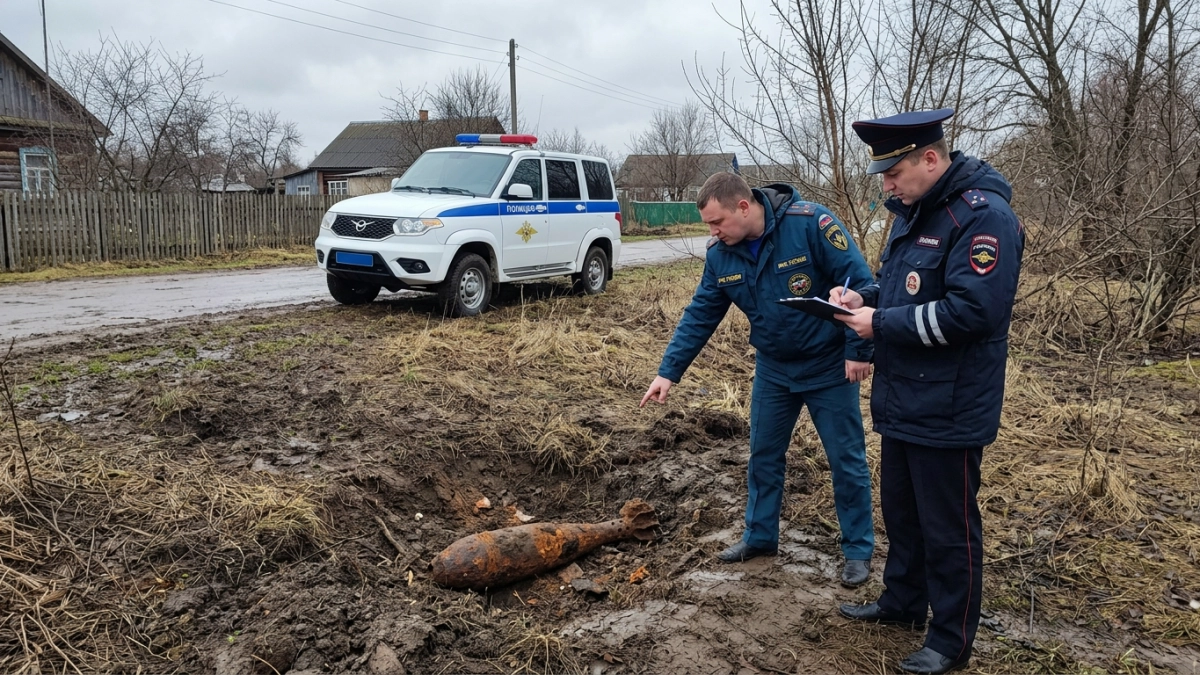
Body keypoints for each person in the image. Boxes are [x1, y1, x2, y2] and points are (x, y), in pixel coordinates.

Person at [831, 109, 1024, 675]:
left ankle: (950, 639)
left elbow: (972, 312)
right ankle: (902, 603)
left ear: (931, 159)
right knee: (904, 514)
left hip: (951, 403)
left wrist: (879, 324)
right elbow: (902, 290)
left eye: (893, 172)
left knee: (949, 528)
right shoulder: (913, 215)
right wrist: (859, 299)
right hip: (904, 398)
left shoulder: (983, 218)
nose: (886, 184)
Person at [639, 172, 876, 588]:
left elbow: (861, 284)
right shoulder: (720, 255)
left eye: (717, 223)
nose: (712, 232)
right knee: (763, 457)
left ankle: (858, 550)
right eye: (709, 226)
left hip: (828, 366)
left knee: (845, 461)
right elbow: (700, 315)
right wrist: (667, 373)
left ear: (744, 207)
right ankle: (760, 537)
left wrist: (857, 352)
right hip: (774, 369)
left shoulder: (810, 224)